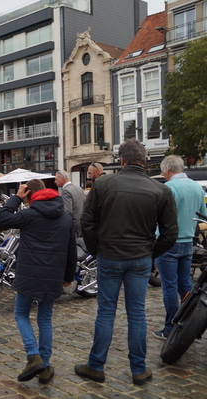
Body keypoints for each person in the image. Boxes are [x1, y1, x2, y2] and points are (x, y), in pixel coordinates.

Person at [76, 139, 178, 386]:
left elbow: (86, 223)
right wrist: (151, 253)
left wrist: (96, 250)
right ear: (144, 161)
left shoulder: (103, 184)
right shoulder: (161, 190)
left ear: (121, 161)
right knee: (136, 313)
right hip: (140, 257)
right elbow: (171, 233)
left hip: (110, 255)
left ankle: (96, 366)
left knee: (106, 312)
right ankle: (139, 370)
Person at [0, 179, 76, 384]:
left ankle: (33, 356)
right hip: (53, 275)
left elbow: (1, 220)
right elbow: (71, 250)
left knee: (21, 314)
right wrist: (68, 276)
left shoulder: (29, 215)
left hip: (29, 273)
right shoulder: (65, 216)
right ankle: (45, 366)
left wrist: (16, 198)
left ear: (29, 195)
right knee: (45, 318)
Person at [154, 155, 207, 339]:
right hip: (187, 242)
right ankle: (189, 323)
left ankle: (169, 327)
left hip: (168, 242)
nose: (163, 175)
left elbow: (157, 217)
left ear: (168, 169)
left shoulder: (168, 188)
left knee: (169, 286)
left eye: (163, 171)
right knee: (185, 285)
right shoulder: (196, 187)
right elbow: (202, 216)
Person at [54, 170, 85, 236]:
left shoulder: (66, 191)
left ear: (63, 179)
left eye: (56, 179)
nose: (55, 182)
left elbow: (67, 211)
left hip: (73, 226)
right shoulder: (79, 188)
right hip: (81, 223)